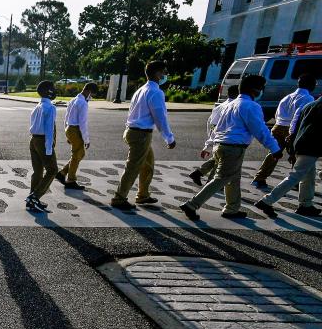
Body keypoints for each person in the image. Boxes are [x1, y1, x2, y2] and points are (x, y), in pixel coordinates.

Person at [180, 75, 283, 221]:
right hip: (233, 148)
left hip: (220, 145)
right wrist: (274, 148)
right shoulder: (251, 106)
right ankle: (192, 205)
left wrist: (209, 146)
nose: (262, 91)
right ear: (255, 90)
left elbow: (217, 129)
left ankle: (232, 208)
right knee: (221, 179)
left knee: (233, 179)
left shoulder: (229, 105)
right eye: (261, 88)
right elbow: (260, 130)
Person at [112, 60, 176, 211]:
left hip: (133, 131)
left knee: (147, 164)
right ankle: (119, 197)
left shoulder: (141, 90)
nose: (165, 75)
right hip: (141, 134)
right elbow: (160, 118)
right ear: (157, 73)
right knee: (133, 167)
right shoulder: (156, 92)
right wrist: (169, 138)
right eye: (164, 72)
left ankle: (143, 194)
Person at [256, 92, 322, 218]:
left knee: (308, 175)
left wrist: (292, 147)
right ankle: (267, 201)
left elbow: (295, 125)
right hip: (312, 146)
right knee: (296, 175)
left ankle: (305, 205)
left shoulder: (309, 105)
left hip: (301, 143)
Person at [251, 73, 316, 189]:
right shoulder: (308, 98)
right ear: (311, 85)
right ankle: (295, 182)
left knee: (273, 154)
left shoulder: (287, 97)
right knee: (296, 156)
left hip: (278, 126)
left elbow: (277, 114)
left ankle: (259, 178)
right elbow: (299, 116)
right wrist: (292, 133)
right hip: (291, 128)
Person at [191, 84, 240, 186]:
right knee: (221, 163)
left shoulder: (219, 107)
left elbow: (211, 125)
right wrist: (209, 145)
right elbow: (217, 128)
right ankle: (211, 184)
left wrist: (208, 145)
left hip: (217, 139)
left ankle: (199, 173)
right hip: (226, 140)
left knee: (218, 159)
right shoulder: (233, 108)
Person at [26, 80, 60, 213]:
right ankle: (35, 196)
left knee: (38, 171)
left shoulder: (38, 106)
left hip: (33, 140)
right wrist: (49, 147)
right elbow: (49, 129)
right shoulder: (50, 108)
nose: (54, 90)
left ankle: (31, 200)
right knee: (52, 169)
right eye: (52, 88)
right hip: (43, 141)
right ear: (47, 91)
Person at [56, 82, 96, 191]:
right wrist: (86, 139)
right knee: (76, 155)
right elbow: (83, 123)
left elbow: (66, 117)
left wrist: (66, 132)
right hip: (76, 129)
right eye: (91, 95)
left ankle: (63, 173)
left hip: (70, 128)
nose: (91, 98)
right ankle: (71, 180)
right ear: (89, 91)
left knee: (80, 154)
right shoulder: (83, 103)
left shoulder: (73, 100)